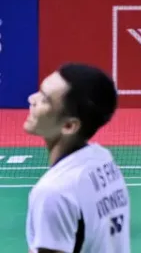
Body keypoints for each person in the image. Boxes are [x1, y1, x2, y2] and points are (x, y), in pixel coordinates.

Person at [24, 63, 130, 253]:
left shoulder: (53, 192)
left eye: (45, 99)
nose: (32, 99)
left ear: (69, 126)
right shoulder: (103, 160)